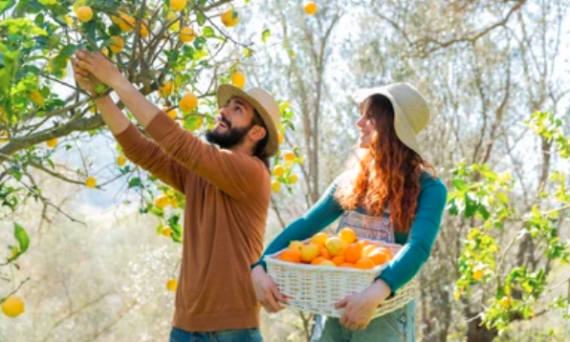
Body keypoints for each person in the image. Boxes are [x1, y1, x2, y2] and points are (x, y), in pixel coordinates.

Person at [72, 50, 280, 342]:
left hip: (234, 331)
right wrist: (100, 95)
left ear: (257, 133)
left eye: (237, 109)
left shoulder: (252, 173)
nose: (223, 111)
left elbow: (180, 144)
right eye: (226, 106)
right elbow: (141, 149)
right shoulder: (202, 172)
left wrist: (117, 80)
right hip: (184, 327)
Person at [250, 83, 447, 342]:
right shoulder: (350, 181)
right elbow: (306, 224)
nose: (359, 122)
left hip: (383, 315)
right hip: (334, 310)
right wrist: (260, 267)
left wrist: (374, 294)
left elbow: (418, 246)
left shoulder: (430, 189)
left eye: (370, 117)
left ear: (393, 128)